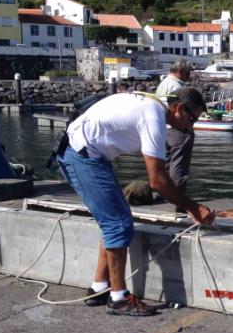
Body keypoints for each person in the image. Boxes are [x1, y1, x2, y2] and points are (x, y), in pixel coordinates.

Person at [60, 87, 215, 316]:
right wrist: (194, 207)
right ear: (179, 107)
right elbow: (158, 181)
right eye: (191, 119)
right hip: (81, 155)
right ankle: (118, 298)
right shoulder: (153, 118)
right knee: (118, 225)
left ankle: (99, 287)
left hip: (86, 152)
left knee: (114, 219)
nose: (190, 127)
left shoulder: (152, 104)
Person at [155, 59, 197, 192]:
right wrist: (189, 122)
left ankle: (163, 195)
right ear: (180, 71)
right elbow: (180, 111)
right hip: (177, 129)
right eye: (188, 72)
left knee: (166, 165)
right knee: (179, 166)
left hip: (163, 129)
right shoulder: (177, 87)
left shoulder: (163, 84)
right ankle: (177, 197)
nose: (189, 75)